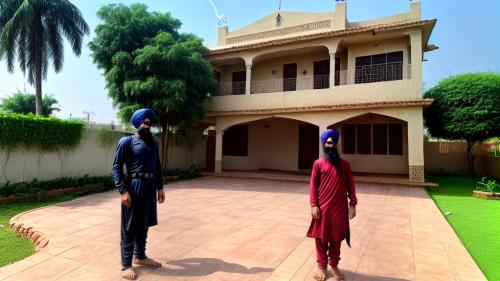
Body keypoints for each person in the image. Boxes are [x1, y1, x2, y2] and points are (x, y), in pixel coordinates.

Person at [112, 108, 166, 280]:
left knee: (144, 223)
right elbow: (116, 167)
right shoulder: (127, 142)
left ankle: (140, 256)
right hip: (134, 187)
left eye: (150, 121)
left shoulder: (152, 144)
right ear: (138, 123)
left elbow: (157, 167)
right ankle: (125, 264)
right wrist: (122, 191)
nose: (147, 124)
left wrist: (160, 187)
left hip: (150, 187)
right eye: (144, 121)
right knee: (130, 225)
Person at [307, 129, 357, 281]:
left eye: (333, 143)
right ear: (324, 145)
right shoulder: (318, 164)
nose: (330, 146)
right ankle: (322, 266)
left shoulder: (345, 165)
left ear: (336, 145)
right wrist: (313, 204)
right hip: (322, 209)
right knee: (321, 239)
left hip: (339, 209)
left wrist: (352, 204)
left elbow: (351, 185)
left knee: (336, 238)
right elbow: (313, 185)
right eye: (328, 143)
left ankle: (334, 265)